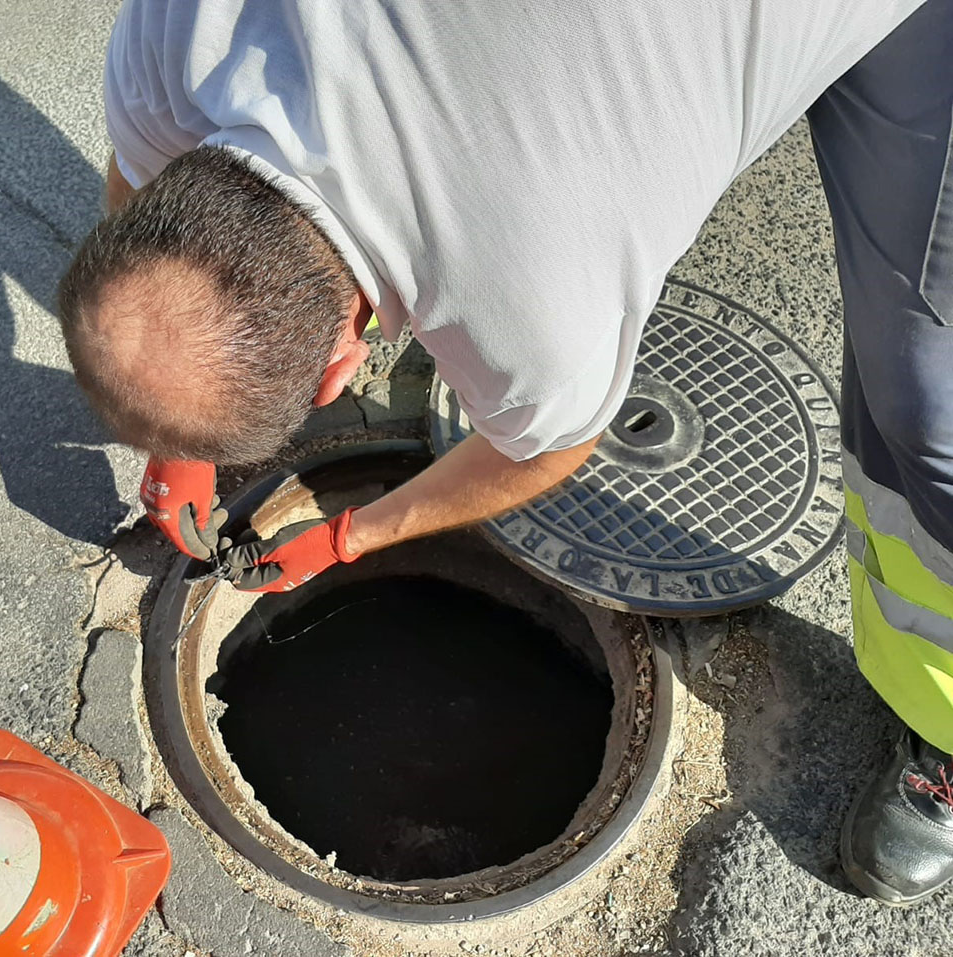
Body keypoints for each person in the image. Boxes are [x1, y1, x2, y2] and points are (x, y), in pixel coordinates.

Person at [57, 0, 953, 904]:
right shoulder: (180, 32)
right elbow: (137, 188)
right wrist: (180, 441)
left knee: (930, 404)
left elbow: (544, 451)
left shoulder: (530, 312)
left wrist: (348, 535)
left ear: (340, 369)